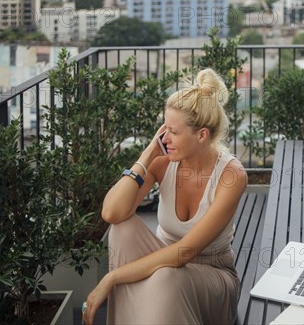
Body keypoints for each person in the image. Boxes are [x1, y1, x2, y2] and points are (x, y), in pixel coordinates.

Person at [82, 68, 248, 324]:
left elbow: (184, 253)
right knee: (121, 229)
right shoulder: (163, 160)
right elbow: (111, 213)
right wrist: (147, 154)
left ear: (202, 135)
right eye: (164, 129)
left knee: (165, 276)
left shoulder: (231, 175)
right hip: (164, 267)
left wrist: (111, 277)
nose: (165, 138)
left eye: (174, 132)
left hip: (213, 279)